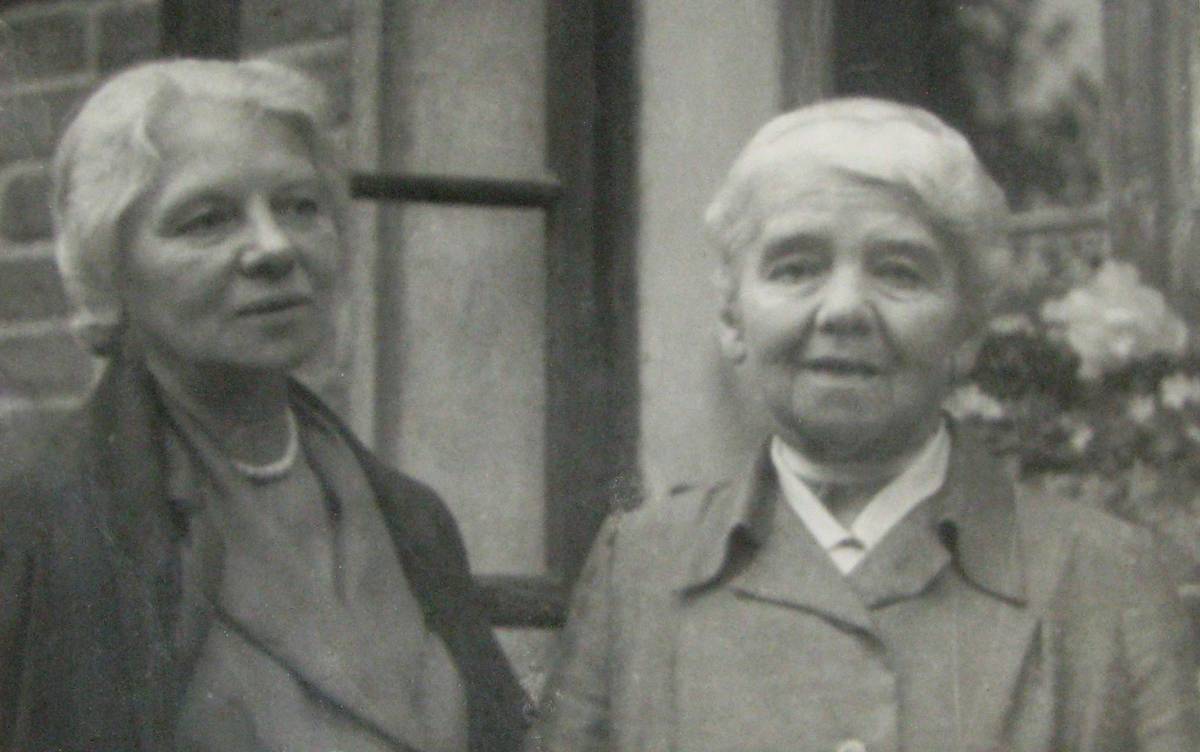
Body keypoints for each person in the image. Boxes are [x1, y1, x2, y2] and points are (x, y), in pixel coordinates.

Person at [528, 98, 1200, 752]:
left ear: (968, 327)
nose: (844, 309)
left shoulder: (1108, 577)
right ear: (733, 318)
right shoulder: (640, 567)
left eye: (899, 272)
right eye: (797, 268)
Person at [0, 59, 527, 751]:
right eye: (207, 220)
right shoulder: (41, 528)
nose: (275, 247)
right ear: (109, 266)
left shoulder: (412, 519)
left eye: (300, 207)